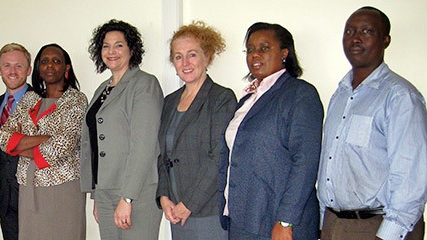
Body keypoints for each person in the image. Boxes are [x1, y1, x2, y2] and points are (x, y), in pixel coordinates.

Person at [317, 6, 427, 240]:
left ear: (385, 40)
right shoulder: (340, 95)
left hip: (377, 227)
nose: (355, 38)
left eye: (367, 31)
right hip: (333, 224)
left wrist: (389, 234)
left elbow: (411, 175)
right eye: (349, 31)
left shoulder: (399, 97)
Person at [218, 22, 323, 240]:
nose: (255, 54)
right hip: (242, 219)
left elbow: (305, 162)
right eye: (250, 49)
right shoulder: (246, 100)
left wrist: (286, 220)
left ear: (285, 53)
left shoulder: (299, 95)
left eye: (264, 48)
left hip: (277, 222)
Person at [80, 19, 163, 240]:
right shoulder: (102, 89)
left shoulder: (144, 84)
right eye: (106, 46)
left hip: (136, 191)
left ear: (131, 49)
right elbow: (96, 144)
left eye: (119, 45)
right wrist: (97, 196)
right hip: (105, 191)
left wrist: (127, 198)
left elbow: (144, 145)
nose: (111, 51)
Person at [156, 21, 236, 240]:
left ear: (207, 56)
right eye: (178, 56)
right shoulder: (170, 101)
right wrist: (164, 196)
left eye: (192, 54)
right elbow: (162, 154)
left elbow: (219, 156)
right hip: (175, 209)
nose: (185, 63)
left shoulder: (221, 98)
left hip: (206, 211)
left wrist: (188, 204)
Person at [0, 43, 87, 240]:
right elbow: (4, 138)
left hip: (63, 187)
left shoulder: (76, 100)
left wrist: (20, 144)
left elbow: (62, 144)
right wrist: (44, 139)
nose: (50, 66)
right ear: (38, 68)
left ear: (66, 68)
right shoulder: (29, 99)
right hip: (28, 185)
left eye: (56, 61)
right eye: (45, 61)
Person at [0, 43, 33, 240]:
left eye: (19, 66)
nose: (12, 71)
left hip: (34, 194)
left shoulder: (41, 101)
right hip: (5, 195)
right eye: (7, 65)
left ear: (29, 70)